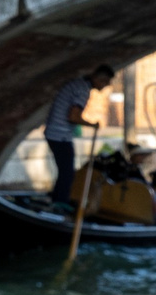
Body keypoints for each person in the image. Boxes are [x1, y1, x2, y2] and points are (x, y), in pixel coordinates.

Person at [44, 64, 116, 205]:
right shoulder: (82, 90)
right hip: (59, 135)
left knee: (65, 171)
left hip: (56, 133)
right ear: (99, 79)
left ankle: (56, 199)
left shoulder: (78, 84)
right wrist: (92, 125)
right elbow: (73, 117)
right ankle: (60, 204)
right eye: (106, 82)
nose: (106, 86)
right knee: (67, 173)